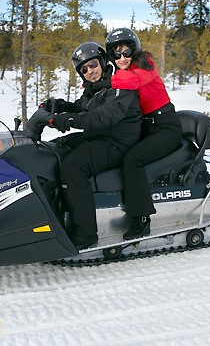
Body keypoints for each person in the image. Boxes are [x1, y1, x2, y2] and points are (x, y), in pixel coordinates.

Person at [40, 42, 141, 249]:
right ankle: (59, 211)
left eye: (93, 65)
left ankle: (85, 233)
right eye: (83, 69)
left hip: (117, 142)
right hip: (99, 136)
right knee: (55, 148)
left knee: (73, 168)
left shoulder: (120, 83)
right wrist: (62, 106)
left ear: (103, 62)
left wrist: (71, 120)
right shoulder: (96, 88)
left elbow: (106, 115)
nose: (90, 72)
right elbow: (84, 107)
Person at [90, 28, 182, 240]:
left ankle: (141, 219)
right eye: (116, 54)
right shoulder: (120, 74)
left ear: (135, 51)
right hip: (146, 127)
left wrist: (103, 83)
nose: (122, 58)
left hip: (165, 125)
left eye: (126, 52)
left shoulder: (145, 62)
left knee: (133, 160)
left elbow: (134, 81)